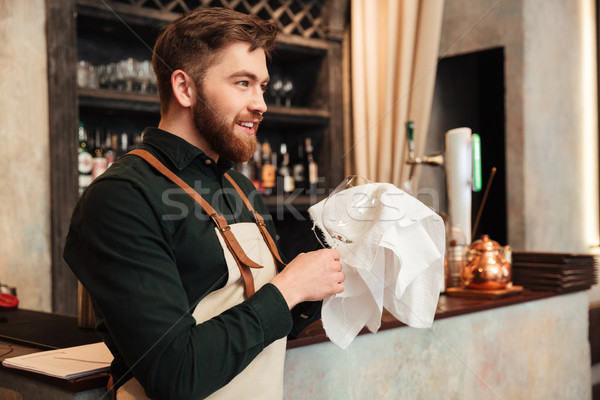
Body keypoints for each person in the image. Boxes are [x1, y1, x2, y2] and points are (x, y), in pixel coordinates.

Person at [63, 7, 344, 400]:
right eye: (243, 83)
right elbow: (174, 373)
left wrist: (328, 274)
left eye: (262, 86)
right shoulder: (121, 198)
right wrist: (288, 288)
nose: (261, 103)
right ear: (185, 89)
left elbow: (270, 322)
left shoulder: (241, 188)